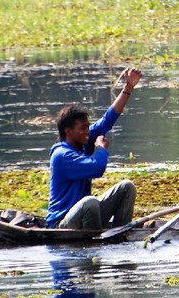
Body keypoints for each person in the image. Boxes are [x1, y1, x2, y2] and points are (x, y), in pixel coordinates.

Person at [46, 67, 142, 229]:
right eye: (83, 128)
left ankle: (120, 234)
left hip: (85, 215)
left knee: (127, 187)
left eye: (88, 127)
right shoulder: (62, 155)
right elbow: (98, 168)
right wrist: (101, 149)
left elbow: (107, 120)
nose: (87, 132)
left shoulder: (82, 142)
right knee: (89, 202)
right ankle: (95, 244)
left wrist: (128, 88)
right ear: (68, 132)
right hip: (63, 223)